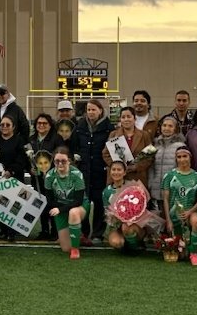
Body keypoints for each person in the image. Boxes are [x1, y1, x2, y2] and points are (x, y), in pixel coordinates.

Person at [74, 99, 112, 242]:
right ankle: (84, 232)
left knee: (99, 203)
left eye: (93, 109)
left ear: (100, 110)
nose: (90, 112)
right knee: (84, 202)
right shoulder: (79, 127)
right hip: (84, 171)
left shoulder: (109, 128)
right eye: (88, 109)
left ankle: (98, 233)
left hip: (100, 171)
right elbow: (75, 146)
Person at [161, 146, 197, 266]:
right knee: (180, 255)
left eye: (184, 156)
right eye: (179, 157)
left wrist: (190, 212)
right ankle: (193, 246)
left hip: (190, 211)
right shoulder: (169, 176)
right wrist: (168, 220)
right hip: (175, 215)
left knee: (196, 222)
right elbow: (165, 199)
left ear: (190, 157)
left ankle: (194, 254)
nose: (182, 159)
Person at [0, 114, 30, 241]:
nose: (4, 127)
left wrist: (11, 171)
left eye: (7, 124)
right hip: (0, 180)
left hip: (15, 178)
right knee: (1, 204)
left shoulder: (19, 141)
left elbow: (22, 160)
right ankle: (3, 231)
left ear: (13, 127)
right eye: (2, 125)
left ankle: (12, 232)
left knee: (15, 206)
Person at [45, 150, 88, 260]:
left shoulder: (77, 174)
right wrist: (60, 209)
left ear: (69, 161)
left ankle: (75, 249)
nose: (60, 164)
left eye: (63, 161)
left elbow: (78, 201)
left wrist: (60, 209)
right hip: (61, 208)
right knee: (65, 248)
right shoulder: (49, 176)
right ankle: (78, 236)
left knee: (73, 213)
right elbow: (49, 200)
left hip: (79, 206)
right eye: (57, 161)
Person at [30, 113, 64, 239]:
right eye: (39, 123)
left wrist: (51, 171)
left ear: (50, 125)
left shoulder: (56, 138)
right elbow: (27, 158)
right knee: (41, 203)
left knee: (53, 203)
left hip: (53, 178)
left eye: (45, 123)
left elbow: (61, 157)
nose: (41, 125)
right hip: (37, 178)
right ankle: (44, 230)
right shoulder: (32, 139)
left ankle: (55, 231)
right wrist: (31, 169)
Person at [101, 106, 154, 187]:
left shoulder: (144, 135)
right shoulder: (113, 134)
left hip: (137, 177)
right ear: (120, 120)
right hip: (118, 178)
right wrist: (117, 167)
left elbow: (149, 156)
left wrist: (136, 167)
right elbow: (105, 154)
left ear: (134, 118)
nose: (126, 119)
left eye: (129, 116)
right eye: (123, 117)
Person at [102, 161, 146, 253]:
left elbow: (141, 207)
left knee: (127, 228)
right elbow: (107, 213)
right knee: (116, 242)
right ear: (110, 172)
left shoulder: (133, 187)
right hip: (116, 225)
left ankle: (134, 248)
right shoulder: (106, 191)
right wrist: (115, 217)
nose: (116, 172)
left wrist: (131, 218)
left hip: (133, 223)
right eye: (114, 170)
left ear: (124, 172)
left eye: (119, 170)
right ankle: (124, 244)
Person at [148, 116, 185, 214]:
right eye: (164, 125)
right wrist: (151, 183)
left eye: (170, 126)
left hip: (172, 189)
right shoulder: (155, 145)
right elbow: (151, 167)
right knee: (159, 219)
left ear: (175, 129)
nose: (166, 128)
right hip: (156, 188)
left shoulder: (180, 146)